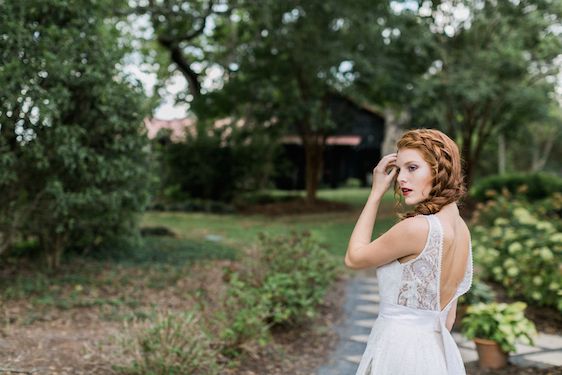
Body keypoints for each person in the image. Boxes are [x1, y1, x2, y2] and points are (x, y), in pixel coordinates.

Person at [344, 128, 473, 375]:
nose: (401, 178)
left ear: (439, 169)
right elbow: (448, 318)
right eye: (399, 169)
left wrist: (375, 194)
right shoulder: (462, 230)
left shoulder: (417, 228)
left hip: (400, 353)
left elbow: (353, 258)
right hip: (436, 355)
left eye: (412, 168)